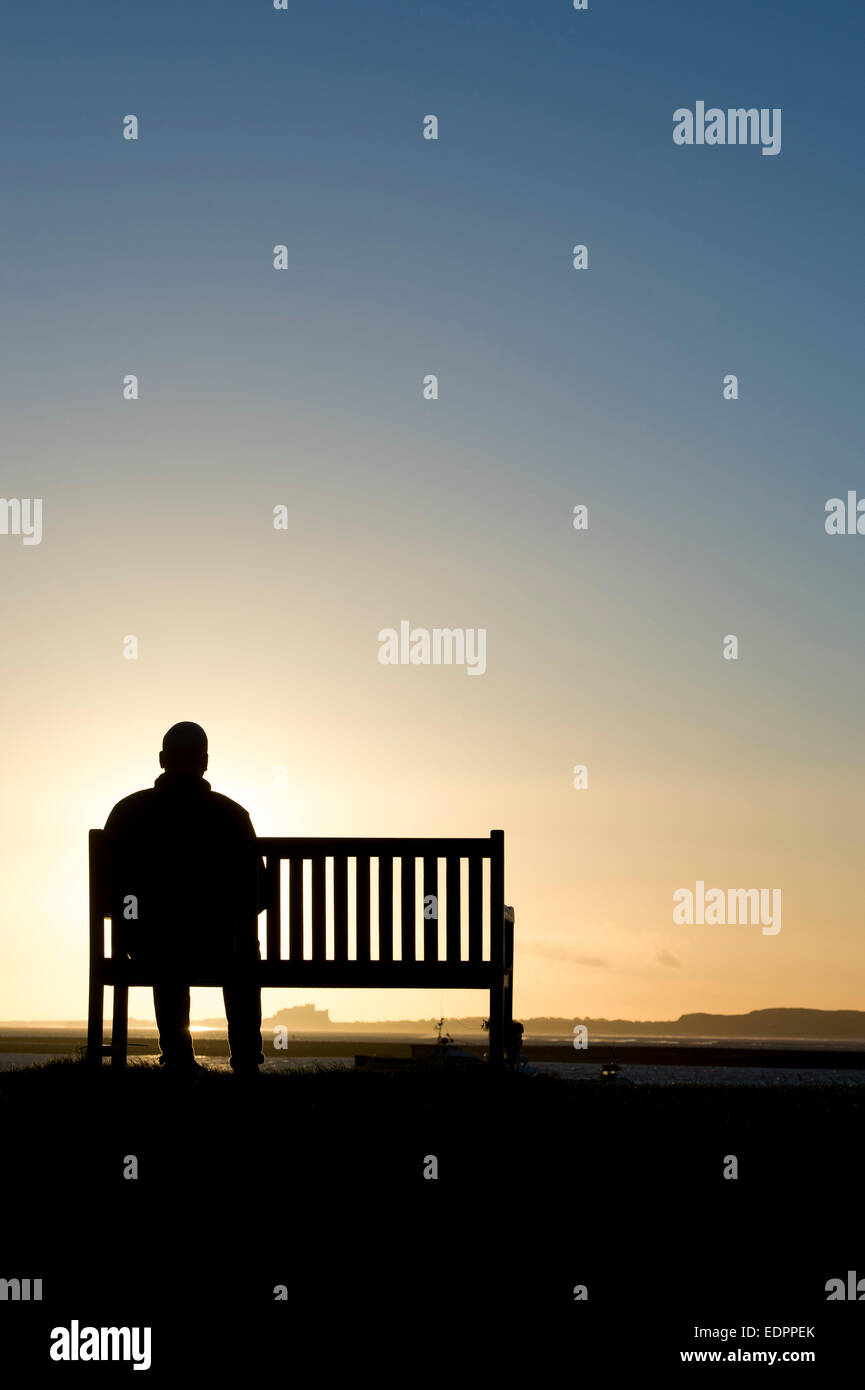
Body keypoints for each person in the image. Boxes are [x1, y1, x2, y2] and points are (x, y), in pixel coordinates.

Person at [103, 722, 265, 1075]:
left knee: (163, 944)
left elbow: (108, 897)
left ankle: (177, 1056)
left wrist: (138, 921)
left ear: (162, 759)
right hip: (223, 945)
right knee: (242, 948)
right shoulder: (233, 816)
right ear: (205, 762)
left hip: (151, 945)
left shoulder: (127, 811)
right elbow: (259, 896)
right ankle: (246, 1059)